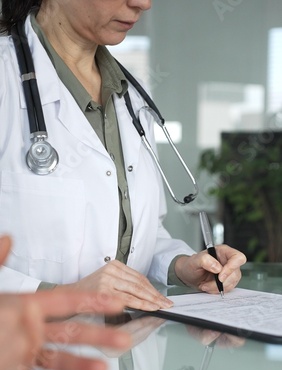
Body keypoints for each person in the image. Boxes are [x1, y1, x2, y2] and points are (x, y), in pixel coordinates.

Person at [0, 0, 246, 310]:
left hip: (128, 347)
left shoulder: (131, 94)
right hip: (23, 350)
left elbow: (141, 233)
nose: (143, 3)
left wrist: (182, 265)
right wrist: (62, 297)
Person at [0, 235, 131, 370]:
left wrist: (176, 263)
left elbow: (152, 229)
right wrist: (50, 292)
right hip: (30, 331)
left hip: (130, 343)